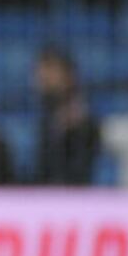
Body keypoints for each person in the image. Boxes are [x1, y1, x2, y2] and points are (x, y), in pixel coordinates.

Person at [33, 46, 100, 184]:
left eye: (50, 70)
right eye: (40, 71)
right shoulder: (46, 118)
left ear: (69, 75)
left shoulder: (84, 121)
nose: (42, 77)